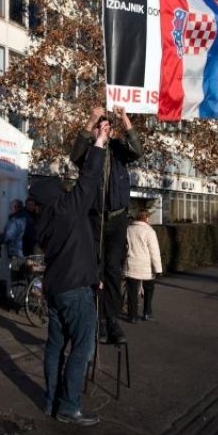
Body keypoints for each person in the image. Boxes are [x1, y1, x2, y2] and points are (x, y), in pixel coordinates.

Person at [30, 119, 109, 426]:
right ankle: (69, 406)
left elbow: (73, 251)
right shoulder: (68, 208)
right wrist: (100, 139)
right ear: (57, 195)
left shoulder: (46, 221)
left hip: (56, 288)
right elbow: (89, 178)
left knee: (54, 347)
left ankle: (51, 402)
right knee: (83, 348)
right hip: (76, 290)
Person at [70, 105, 143, 344]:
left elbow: (137, 150)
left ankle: (112, 319)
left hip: (117, 217)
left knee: (113, 269)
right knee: (94, 270)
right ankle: (97, 319)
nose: (105, 128)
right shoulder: (91, 151)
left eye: (107, 125)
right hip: (94, 217)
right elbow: (75, 156)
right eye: (102, 126)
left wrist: (123, 118)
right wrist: (91, 120)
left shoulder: (119, 149)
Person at [124, 211, 163, 323]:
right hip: (147, 267)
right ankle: (147, 312)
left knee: (132, 292)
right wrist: (158, 269)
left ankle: (132, 316)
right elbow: (154, 252)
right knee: (149, 289)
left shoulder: (128, 229)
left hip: (131, 264)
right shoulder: (149, 231)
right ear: (146, 218)